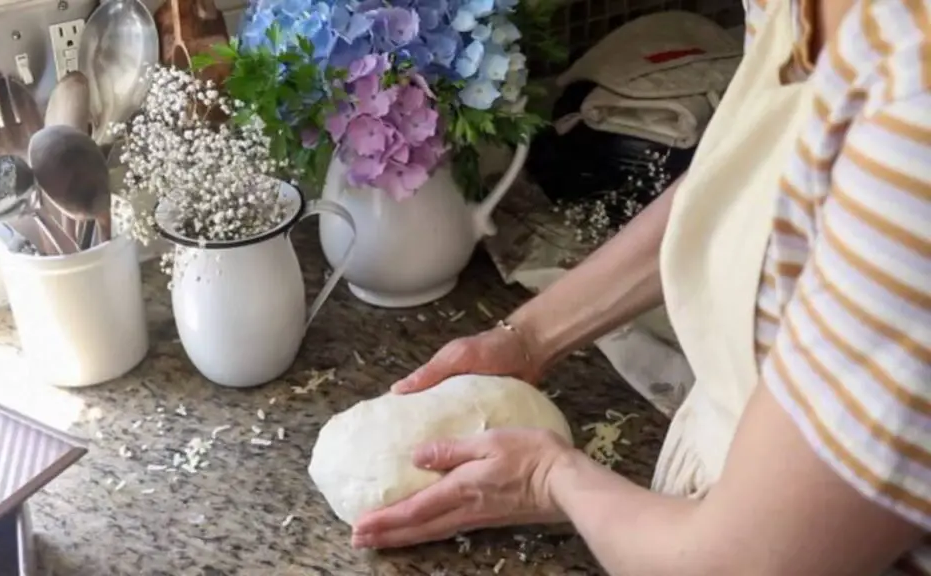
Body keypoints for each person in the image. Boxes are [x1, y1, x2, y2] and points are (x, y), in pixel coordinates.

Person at [349, 0, 931, 573]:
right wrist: (530, 336)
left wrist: (550, 478)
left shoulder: (913, 99)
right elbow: (742, 182)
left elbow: (737, 563)